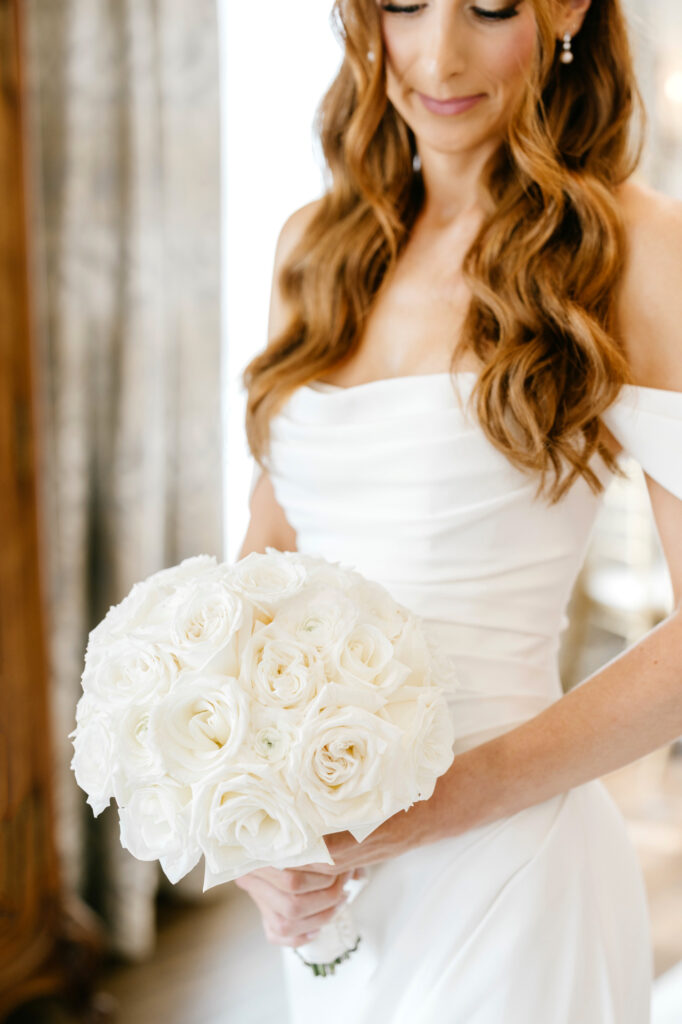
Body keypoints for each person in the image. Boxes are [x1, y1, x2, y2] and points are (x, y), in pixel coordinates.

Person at [234, 0, 682, 1020]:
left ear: (565, 7)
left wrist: (433, 808)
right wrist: (254, 829)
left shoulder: (636, 249)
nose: (437, 54)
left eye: (486, 7)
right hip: (334, 890)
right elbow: (258, 574)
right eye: (402, 5)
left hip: (509, 874)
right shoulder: (311, 249)